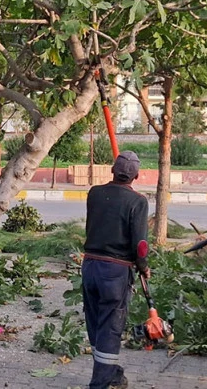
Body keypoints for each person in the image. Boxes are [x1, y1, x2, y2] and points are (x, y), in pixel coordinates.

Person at [81, 150, 149, 389]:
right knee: (110, 327)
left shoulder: (94, 194)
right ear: (137, 176)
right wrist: (144, 267)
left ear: (112, 170)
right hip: (115, 271)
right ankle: (99, 383)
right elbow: (140, 245)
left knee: (96, 323)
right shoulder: (138, 202)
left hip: (90, 265)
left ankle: (112, 374)